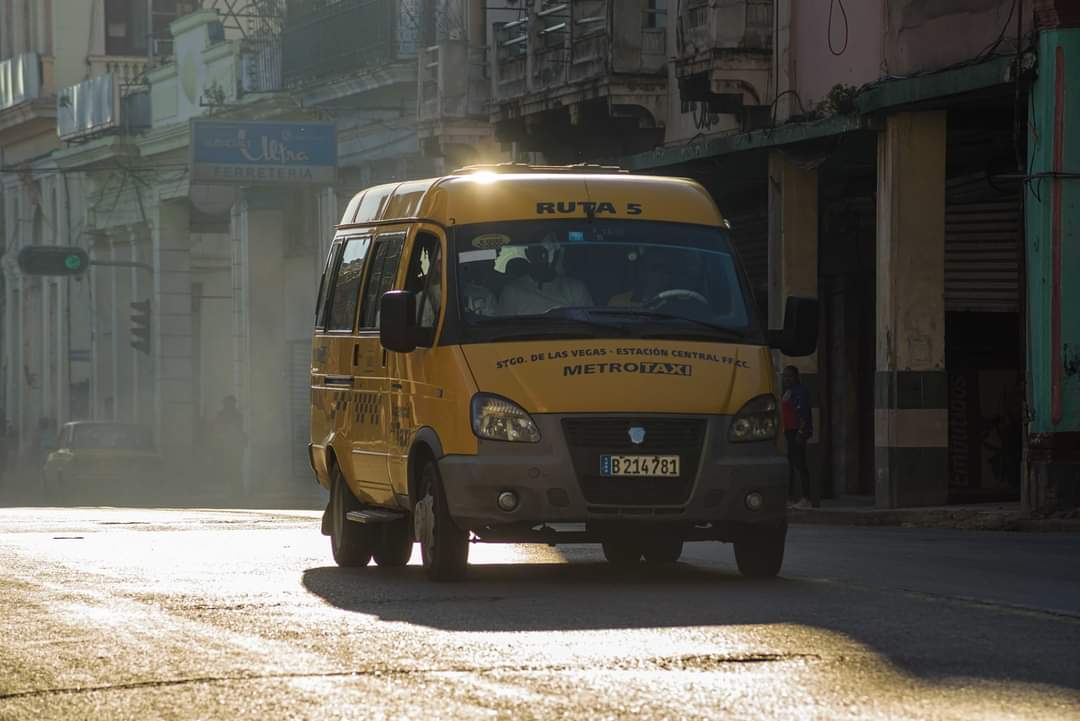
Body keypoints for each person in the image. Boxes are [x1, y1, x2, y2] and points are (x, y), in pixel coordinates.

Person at [498, 242, 593, 316]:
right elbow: (504, 329)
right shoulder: (512, 291)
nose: (545, 258)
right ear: (529, 254)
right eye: (539, 253)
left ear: (557, 255)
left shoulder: (576, 289)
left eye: (550, 252)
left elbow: (588, 326)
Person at [782, 366, 817, 508]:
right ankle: (789, 498)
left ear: (796, 377)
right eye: (785, 376)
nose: (787, 379)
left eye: (790, 376)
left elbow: (803, 413)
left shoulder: (800, 391)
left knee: (801, 465)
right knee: (789, 465)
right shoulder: (787, 392)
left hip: (797, 432)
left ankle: (806, 498)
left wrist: (801, 432)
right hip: (789, 432)